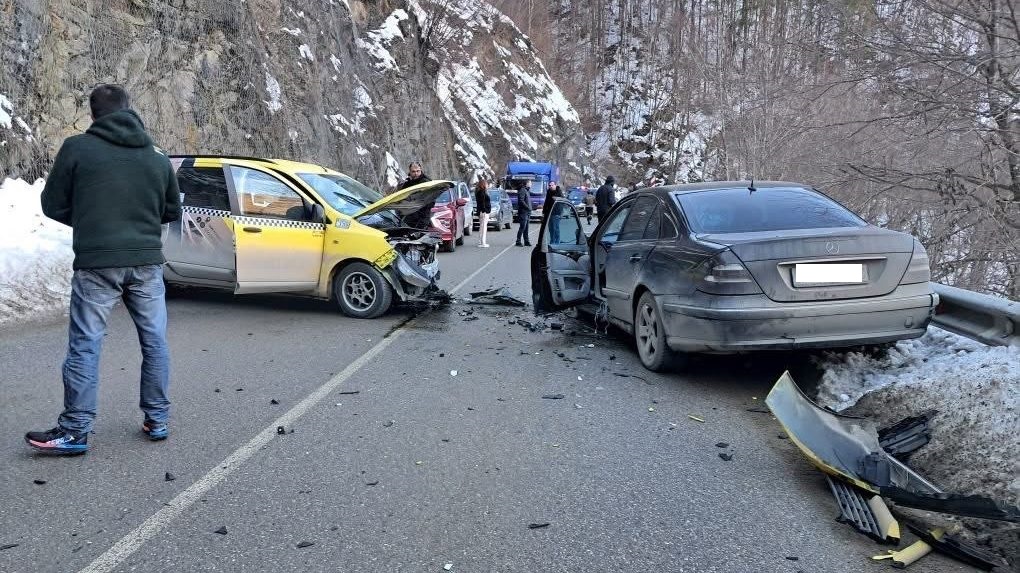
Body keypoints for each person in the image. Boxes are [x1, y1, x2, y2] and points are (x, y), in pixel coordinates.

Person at [27, 84, 181, 454]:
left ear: (93, 114)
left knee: (85, 345)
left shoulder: (77, 148)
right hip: (146, 263)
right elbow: (171, 211)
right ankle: (157, 418)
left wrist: (90, 219)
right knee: (155, 341)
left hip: (97, 264)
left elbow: (52, 204)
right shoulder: (157, 158)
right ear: (130, 110)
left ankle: (75, 430)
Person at [395, 161, 432, 229]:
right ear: (410, 171)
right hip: (409, 214)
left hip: (422, 216)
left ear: (421, 170)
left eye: (418, 171)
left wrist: (424, 218)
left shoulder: (426, 182)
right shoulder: (408, 181)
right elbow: (402, 194)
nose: (416, 173)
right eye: (413, 171)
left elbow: (431, 200)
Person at [474, 178, 491, 248]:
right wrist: (485, 210)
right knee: (484, 227)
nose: (487, 185)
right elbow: (482, 203)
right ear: (483, 185)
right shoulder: (482, 192)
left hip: (482, 212)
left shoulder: (479, 191)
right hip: (484, 212)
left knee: (482, 227)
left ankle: (480, 241)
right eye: (486, 184)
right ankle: (483, 242)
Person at [514, 182, 532, 246]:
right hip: (523, 212)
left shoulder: (527, 190)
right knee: (523, 227)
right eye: (530, 183)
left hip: (527, 212)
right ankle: (518, 241)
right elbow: (521, 200)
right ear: (526, 184)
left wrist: (529, 208)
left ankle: (526, 241)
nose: (531, 184)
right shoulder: (522, 190)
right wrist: (527, 207)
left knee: (526, 227)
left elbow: (527, 200)